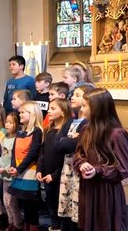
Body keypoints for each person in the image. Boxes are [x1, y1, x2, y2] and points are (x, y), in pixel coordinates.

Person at [73, 88, 128, 231]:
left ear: (97, 108)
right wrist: (82, 164)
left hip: (106, 191)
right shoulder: (86, 130)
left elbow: (124, 168)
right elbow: (78, 155)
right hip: (88, 188)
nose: (81, 110)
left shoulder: (117, 134)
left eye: (84, 106)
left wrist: (98, 170)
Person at [56, 84, 93, 231]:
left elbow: (76, 145)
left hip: (79, 169)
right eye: (73, 95)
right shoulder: (70, 122)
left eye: (78, 95)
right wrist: (68, 140)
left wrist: (67, 141)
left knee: (77, 205)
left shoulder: (88, 124)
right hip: (67, 168)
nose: (72, 97)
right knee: (67, 205)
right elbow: (57, 144)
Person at [36, 98, 71, 231]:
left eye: (53, 109)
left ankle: (60, 226)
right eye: (49, 108)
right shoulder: (49, 131)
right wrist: (39, 169)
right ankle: (54, 225)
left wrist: (55, 175)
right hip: (46, 174)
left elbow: (64, 158)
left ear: (63, 112)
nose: (49, 111)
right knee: (50, 201)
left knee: (59, 202)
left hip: (58, 175)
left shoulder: (65, 133)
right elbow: (42, 152)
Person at [8, 101, 43, 230]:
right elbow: (13, 151)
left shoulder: (37, 132)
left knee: (31, 206)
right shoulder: (20, 132)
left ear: (32, 114)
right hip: (18, 171)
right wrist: (13, 166)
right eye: (20, 112)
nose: (20, 114)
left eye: (23, 112)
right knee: (24, 204)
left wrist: (19, 169)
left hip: (29, 172)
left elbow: (32, 153)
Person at [0, 112, 22, 231]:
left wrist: (5, 168)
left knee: (12, 203)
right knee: (6, 202)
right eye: (6, 122)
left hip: (12, 174)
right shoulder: (5, 138)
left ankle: (17, 225)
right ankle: (10, 223)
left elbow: (16, 158)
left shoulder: (18, 139)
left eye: (10, 122)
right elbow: (2, 156)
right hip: (4, 175)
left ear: (17, 124)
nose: (7, 124)